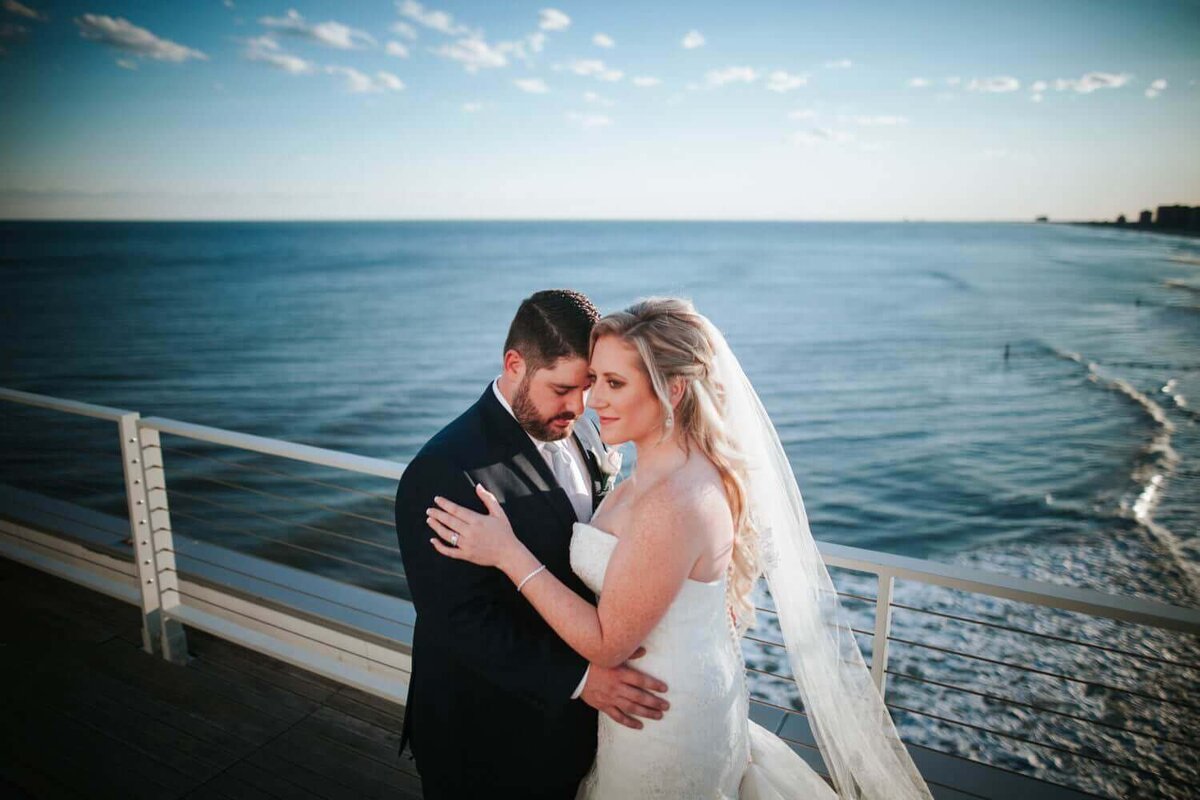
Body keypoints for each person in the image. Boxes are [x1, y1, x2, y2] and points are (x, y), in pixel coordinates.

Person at [427, 297, 933, 799]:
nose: (591, 402)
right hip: (656, 695)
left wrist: (508, 553)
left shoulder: (676, 499)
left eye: (613, 384)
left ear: (672, 389)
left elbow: (608, 645)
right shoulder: (658, 470)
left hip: (660, 716)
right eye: (592, 381)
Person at [393, 290, 670, 800]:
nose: (579, 406)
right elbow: (458, 620)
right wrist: (583, 679)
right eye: (562, 388)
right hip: (485, 738)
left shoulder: (584, 432)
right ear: (515, 364)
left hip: (570, 733)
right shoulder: (445, 469)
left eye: (588, 387)